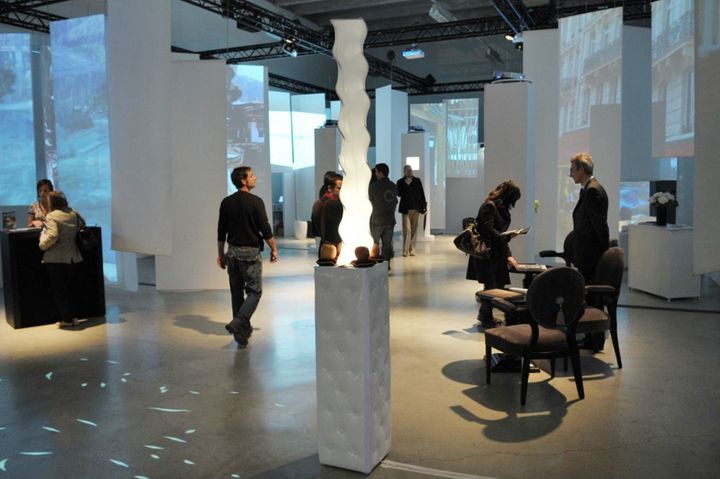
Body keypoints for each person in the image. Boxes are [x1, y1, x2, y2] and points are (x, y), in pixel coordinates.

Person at [217, 166, 279, 347]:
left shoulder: (226, 202)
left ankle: (241, 334)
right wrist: (274, 249)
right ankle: (239, 321)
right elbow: (265, 228)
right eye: (251, 176)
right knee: (254, 292)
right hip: (250, 253)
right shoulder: (255, 202)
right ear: (243, 180)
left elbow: (221, 231)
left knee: (236, 293)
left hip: (233, 253)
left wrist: (220, 254)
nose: (255, 178)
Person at [466, 180, 522, 328]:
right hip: (487, 254)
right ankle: (486, 317)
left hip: (497, 254)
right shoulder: (489, 206)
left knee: (496, 285)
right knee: (491, 286)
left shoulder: (500, 208)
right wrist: (508, 237)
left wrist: (508, 254)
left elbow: (499, 234)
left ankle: (485, 315)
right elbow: (487, 230)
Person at [569, 152, 609, 351]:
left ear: (581, 170)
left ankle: (595, 338)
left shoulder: (592, 191)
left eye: (572, 170)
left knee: (593, 299)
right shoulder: (589, 189)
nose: (570, 175)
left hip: (591, 255)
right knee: (590, 298)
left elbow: (599, 227)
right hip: (588, 254)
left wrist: (603, 254)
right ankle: (592, 337)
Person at [38, 191, 83, 328]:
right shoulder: (73, 214)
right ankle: (74, 317)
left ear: (52, 203)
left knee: (60, 291)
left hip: (56, 258)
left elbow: (52, 235)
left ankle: (66, 319)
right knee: (71, 289)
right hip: (73, 257)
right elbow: (81, 226)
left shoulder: (52, 216)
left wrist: (42, 245)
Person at [368, 163, 397, 267]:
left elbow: (370, 201)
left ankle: (375, 266)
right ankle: (386, 265)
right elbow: (394, 202)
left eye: (376, 171)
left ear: (380, 172)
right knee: (387, 245)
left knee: (375, 244)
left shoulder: (374, 186)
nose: (375, 174)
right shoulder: (393, 186)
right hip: (390, 220)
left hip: (377, 220)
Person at [311, 173, 344, 261]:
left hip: (323, 248)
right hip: (335, 249)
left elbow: (315, 231)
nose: (342, 191)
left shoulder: (316, 204)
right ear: (329, 188)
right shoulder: (336, 204)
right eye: (339, 188)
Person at [396, 165, 427, 257]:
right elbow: (399, 194)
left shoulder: (417, 181)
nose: (409, 172)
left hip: (416, 208)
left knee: (414, 230)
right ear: (404, 172)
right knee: (407, 229)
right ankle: (405, 251)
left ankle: (412, 249)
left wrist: (424, 206)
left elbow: (422, 194)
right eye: (407, 170)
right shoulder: (400, 182)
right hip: (405, 209)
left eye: (410, 170)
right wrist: (406, 184)